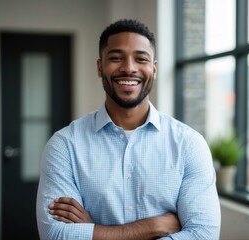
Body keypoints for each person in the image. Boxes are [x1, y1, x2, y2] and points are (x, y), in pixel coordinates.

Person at [36, 19, 221, 239]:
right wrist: (154, 226)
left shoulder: (190, 145)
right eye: (116, 58)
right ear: (99, 66)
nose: (129, 68)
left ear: (153, 68)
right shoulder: (64, 145)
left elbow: (203, 235)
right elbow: (56, 234)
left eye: (140, 59)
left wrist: (94, 232)